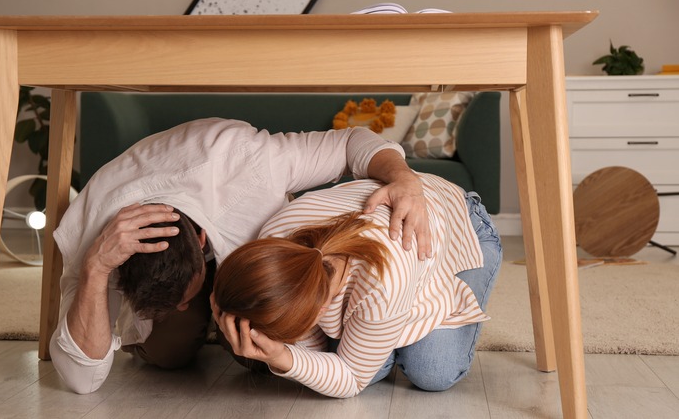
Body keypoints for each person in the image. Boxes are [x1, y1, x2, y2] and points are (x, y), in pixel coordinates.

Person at [49, 117, 433, 394]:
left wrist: (404, 179)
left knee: (257, 356)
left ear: (200, 239)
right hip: (134, 243)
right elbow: (82, 380)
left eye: (186, 298)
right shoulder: (95, 235)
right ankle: (178, 328)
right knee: (168, 356)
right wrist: (96, 269)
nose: (185, 307)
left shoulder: (249, 161)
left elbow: (352, 142)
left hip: (244, 240)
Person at [212, 174, 502, 398]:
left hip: (461, 225)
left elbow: (351, 378)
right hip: (394, 251)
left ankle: (394, 327)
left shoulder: (383, 281)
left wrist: (284, 357)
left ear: (322, 307)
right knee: (367, 364)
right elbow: (317, 353)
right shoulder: (274, 238)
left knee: (432, 372)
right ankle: (387, 331)